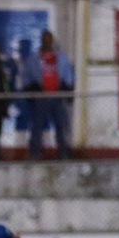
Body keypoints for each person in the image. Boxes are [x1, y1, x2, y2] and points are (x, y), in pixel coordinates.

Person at [22, 30, 74, 160]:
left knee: (61, 126)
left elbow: (68, 75)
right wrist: (30, 87)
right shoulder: (33, 58)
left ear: (52, 40)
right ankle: (34, 153)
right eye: (44, 39)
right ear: (41, 40)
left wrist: (68, 88)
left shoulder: (60, 58)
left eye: (49, 39)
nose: (47, 41)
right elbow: (26, 76)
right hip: (41, 97)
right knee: (37, 126)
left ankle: (63, 153)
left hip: (57, 96)